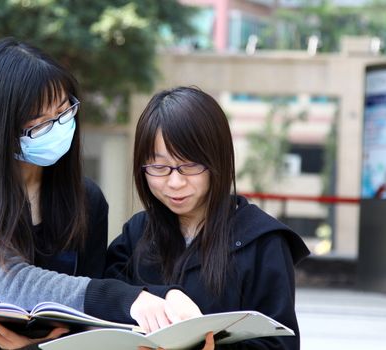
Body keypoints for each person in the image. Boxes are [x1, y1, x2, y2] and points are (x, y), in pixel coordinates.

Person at [0, 38, 200, 350]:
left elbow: (87, 321)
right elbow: (12, 281)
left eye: (64, 111)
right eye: (39, 123)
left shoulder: (87, 199)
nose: (56, 127)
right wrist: (127, 299)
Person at [105, 86, 310, 350]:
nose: (175, 182)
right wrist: (155, 298)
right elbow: (104, 303)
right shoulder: (137, 234)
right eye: (159, 167)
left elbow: (280, 344)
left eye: (190, 165)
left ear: (218, 161)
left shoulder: (263, 243)